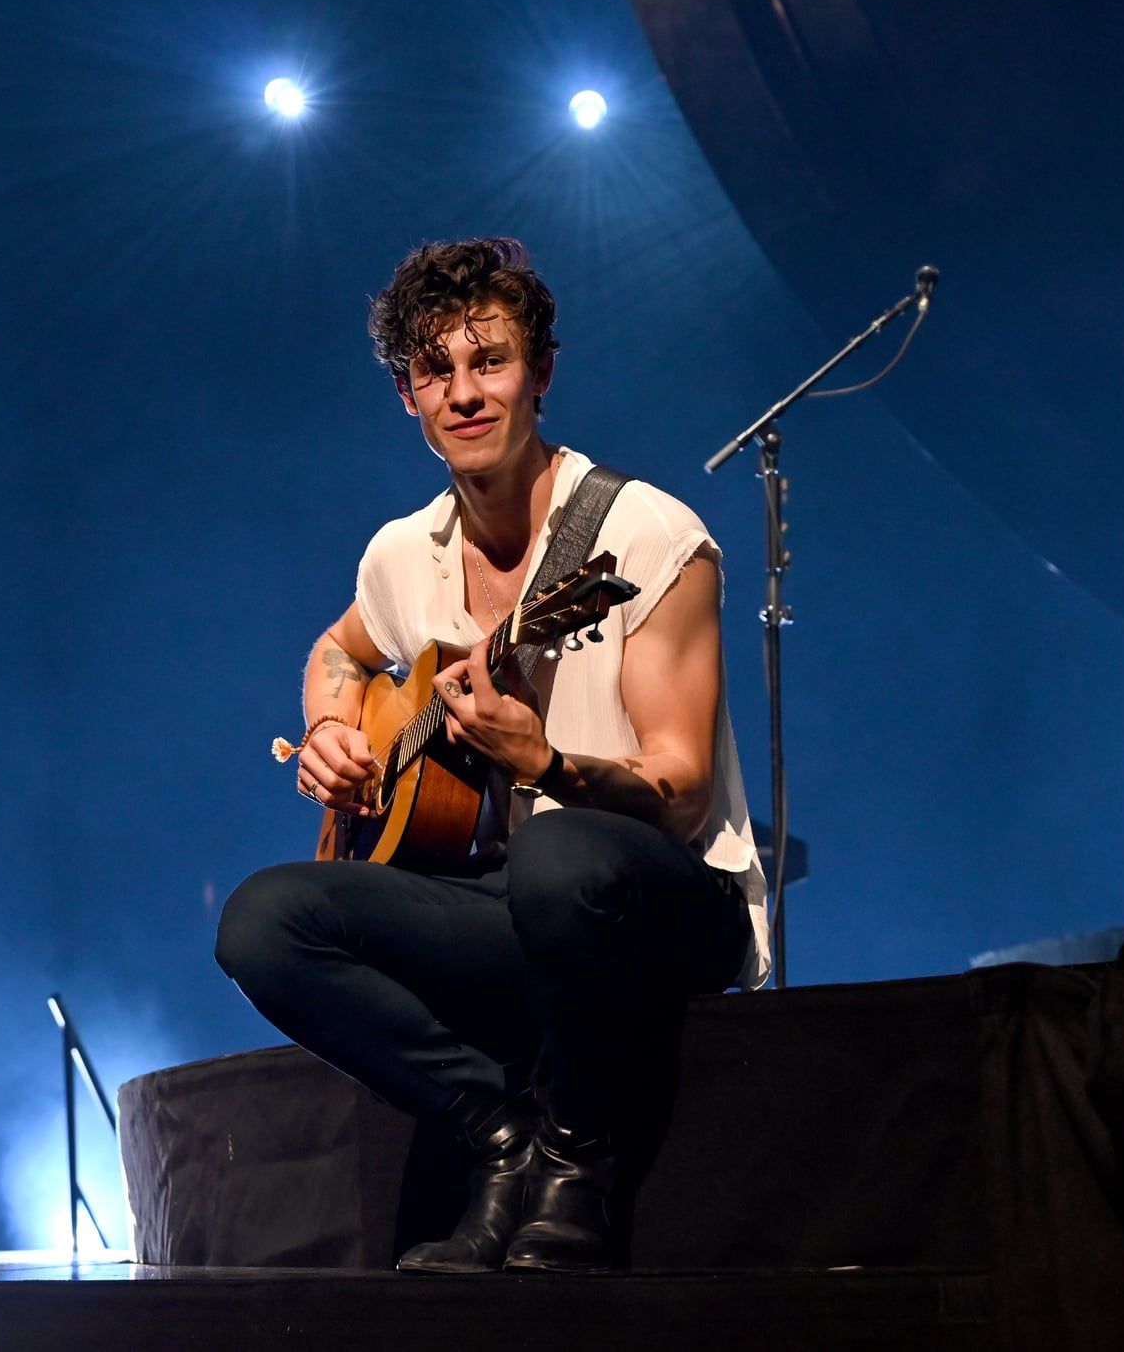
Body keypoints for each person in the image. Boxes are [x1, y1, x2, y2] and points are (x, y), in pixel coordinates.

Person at [216, 237, 767, 1274]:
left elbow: (682, 797)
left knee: (562, 855)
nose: (464, 393)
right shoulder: (401, 552)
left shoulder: (643, 536)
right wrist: (336, 727)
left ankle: (578, 1160)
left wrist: (546, 765)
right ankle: (503, 1133)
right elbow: (337, 649)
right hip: (511, 907)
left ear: (541, 374)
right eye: (436, 369)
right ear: (406, 395)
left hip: (658, 904)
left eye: (491, 361)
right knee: (263, 920)